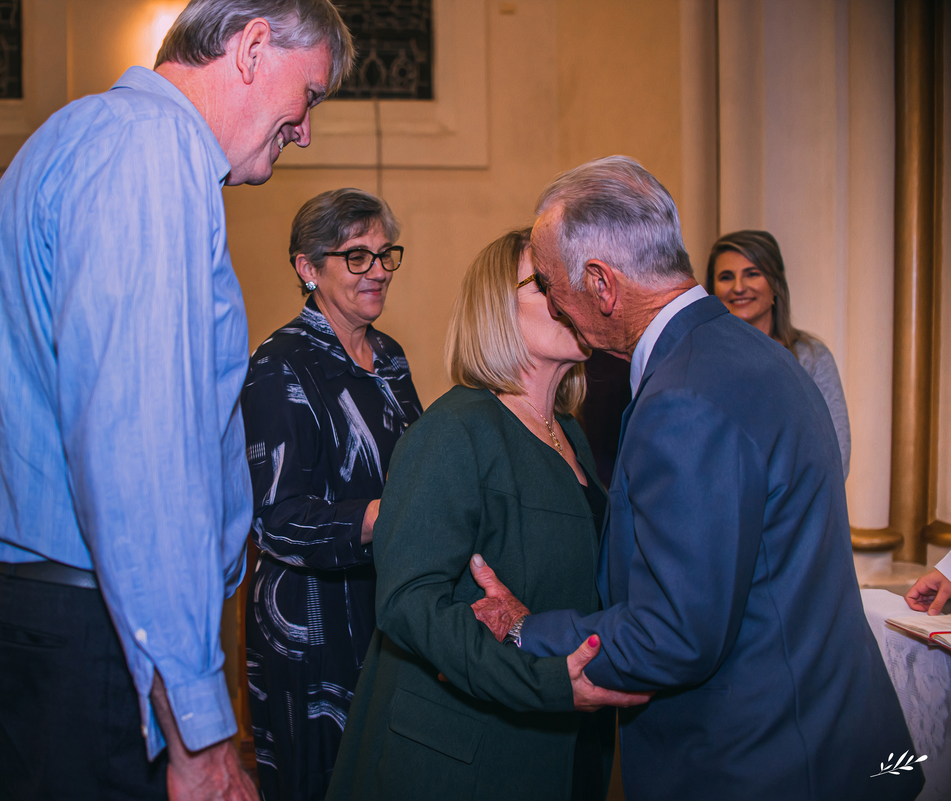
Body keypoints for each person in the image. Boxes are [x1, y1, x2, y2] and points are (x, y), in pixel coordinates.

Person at [0, 3, 353, 799]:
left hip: (42, 616)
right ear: (252, 47)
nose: (305, 129)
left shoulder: (80, 135)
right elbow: (138, 460)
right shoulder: (150, 148)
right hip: (95, 632)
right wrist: (198, 731)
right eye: (310, 95)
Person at [468, 156, 922, 801]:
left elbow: (675, 635)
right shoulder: (753, 352)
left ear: (600, 283)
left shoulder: (682, 397)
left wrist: (525, 629)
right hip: (841, 741)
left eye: (548, 280)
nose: (550, 298)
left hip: (764, 762)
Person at [326, 228, 649, 801]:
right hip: (461, 757)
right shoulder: (457, 428)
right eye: (547, 281)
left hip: (565, 746)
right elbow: (408, 603)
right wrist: (546, 680)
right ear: (496, 306)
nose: (571, 293)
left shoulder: (567, 432)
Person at [241, 188, 423, 800]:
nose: (376, 272)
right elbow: (277, 521)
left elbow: (418, 467)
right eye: (356, 257)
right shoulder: (280, 365)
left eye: (384, 254)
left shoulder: (390, 357)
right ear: (307, 267)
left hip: (383, 603)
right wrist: (384, 515)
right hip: (310, 622)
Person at [706, 230, 852, 479]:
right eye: (726, 277)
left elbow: (835, 455)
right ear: (712, 291)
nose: (739, 287)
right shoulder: (700, 360)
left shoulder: (812, 359)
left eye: (752, 274)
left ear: (775, 284)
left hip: (795, 512)